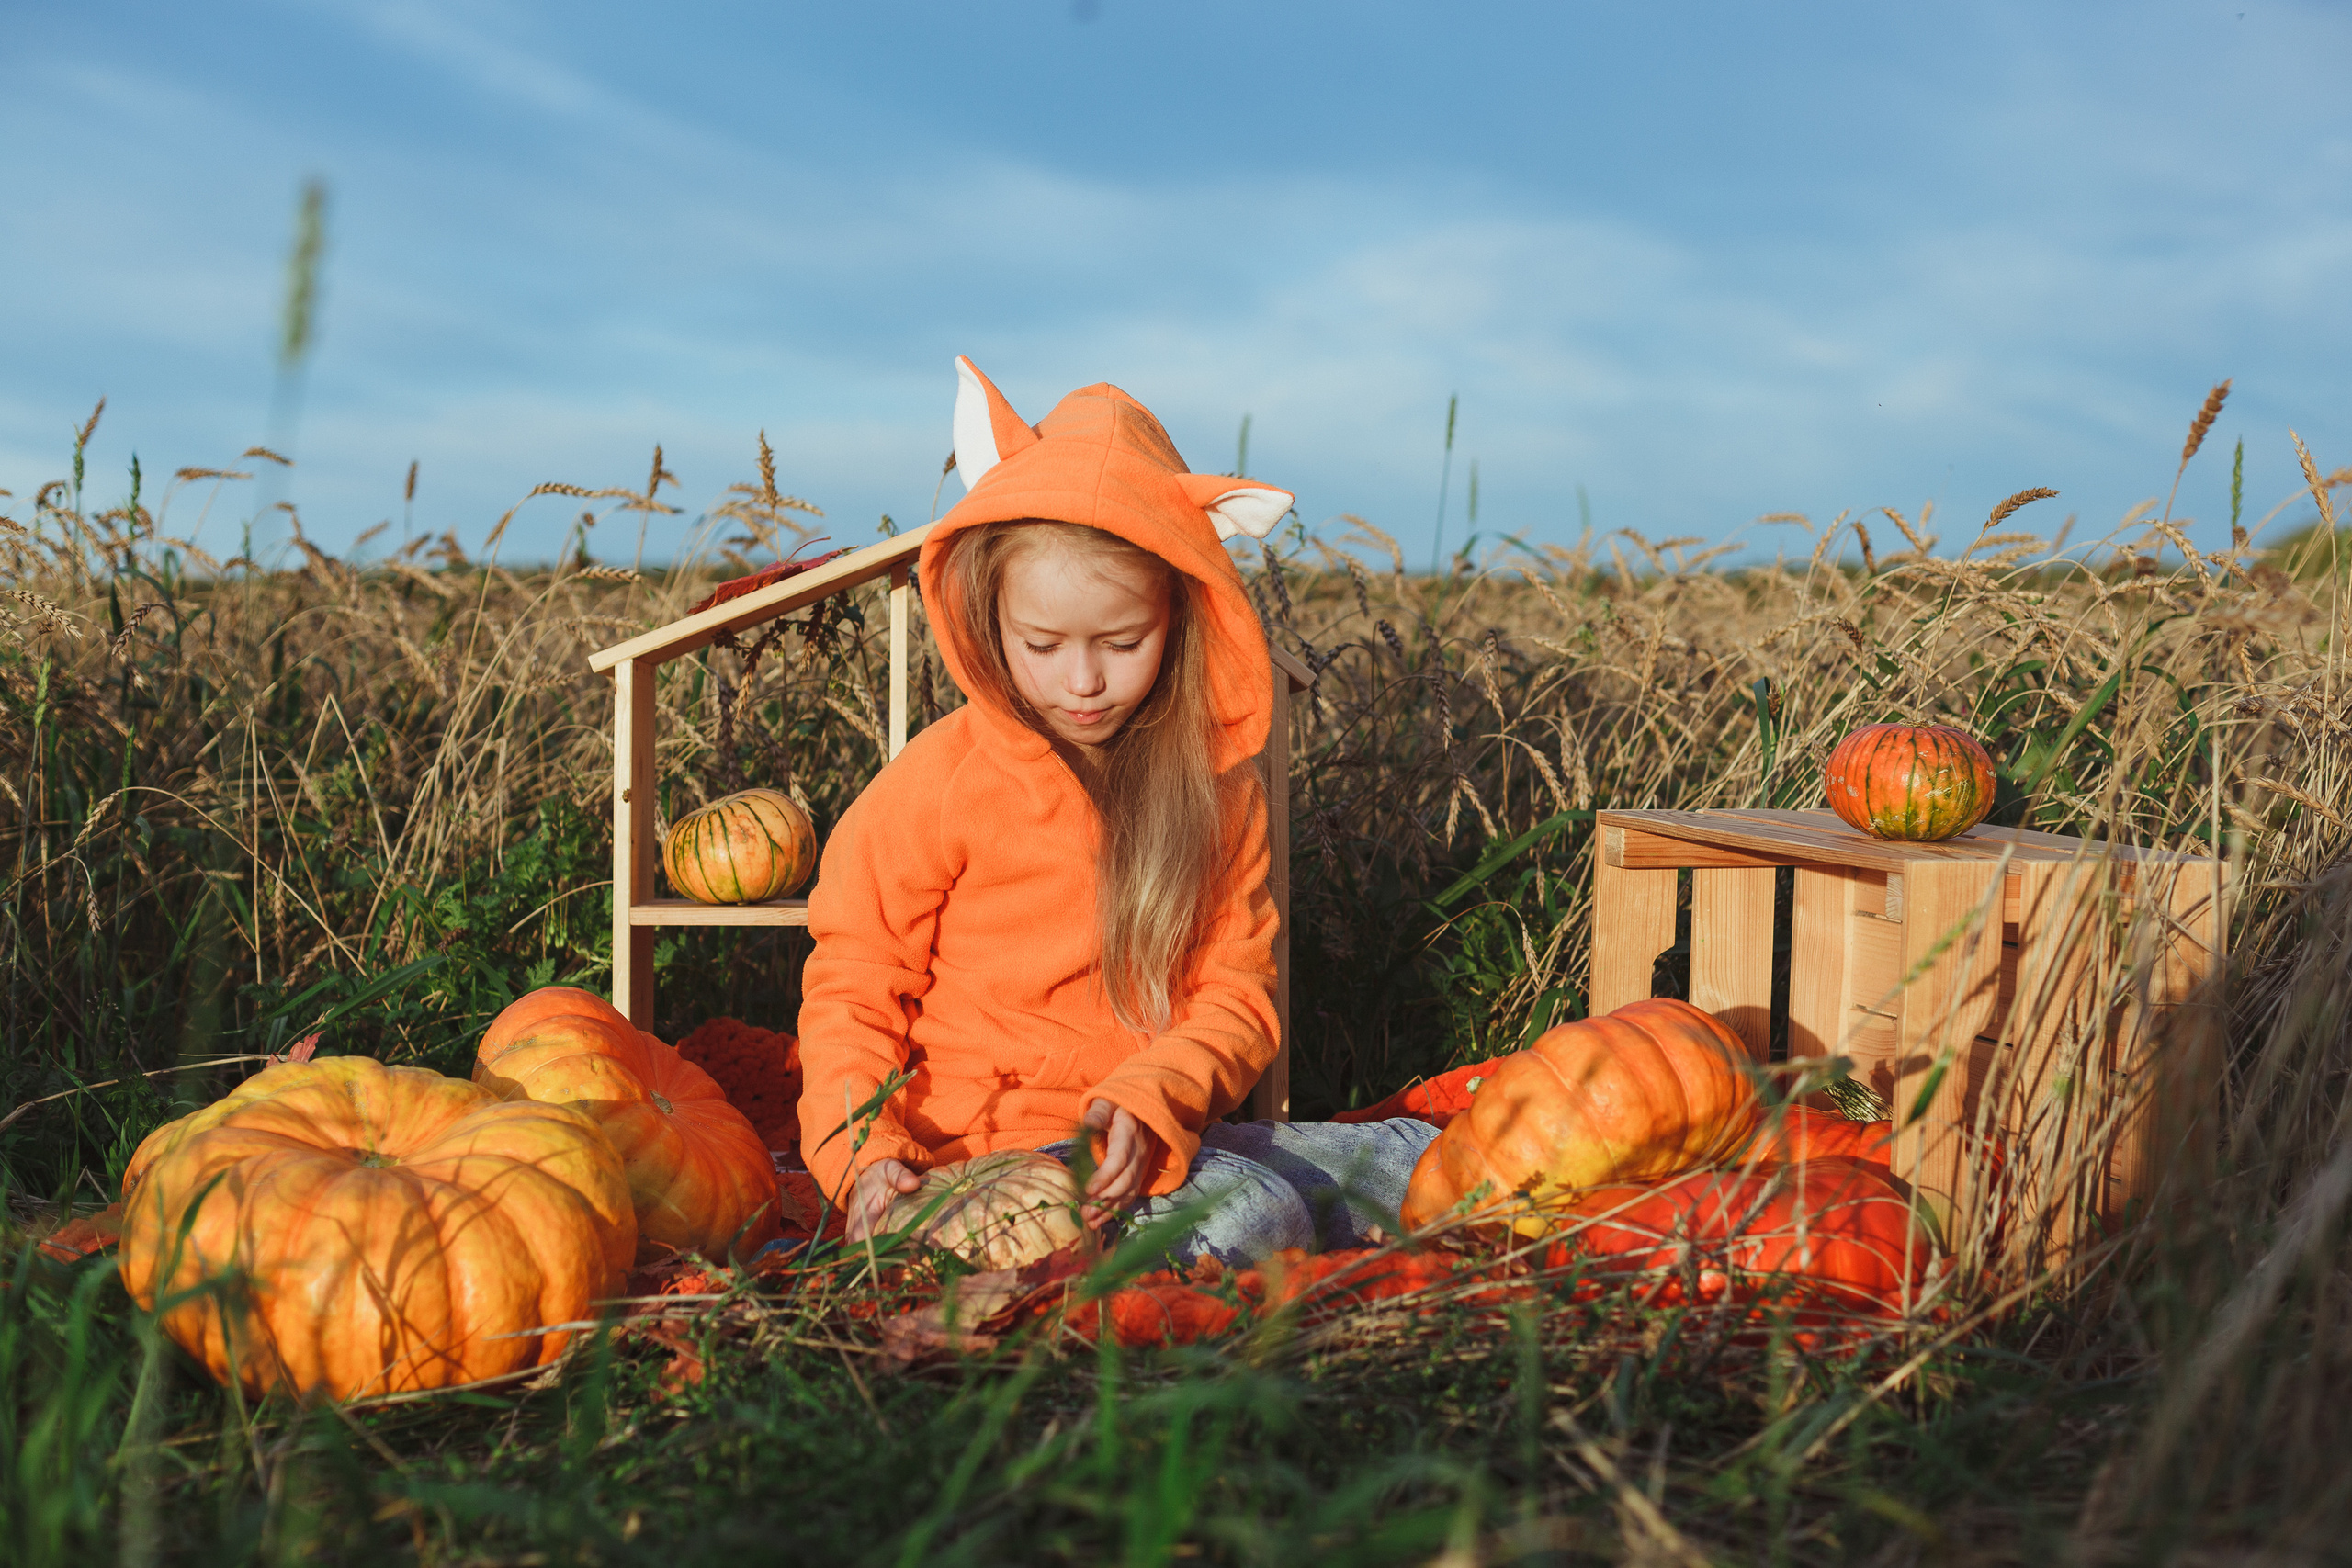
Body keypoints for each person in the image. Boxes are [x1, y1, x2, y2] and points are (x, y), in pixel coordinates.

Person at [797, 357, 1435, 1265]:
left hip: (1160, 1146)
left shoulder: (1214, 791)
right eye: (1044, 645)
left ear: (1179, 620)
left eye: (1122, 642)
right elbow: (853, 989)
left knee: (1410, 1161)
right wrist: (867, 1161)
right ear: (988, 620)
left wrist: (1153, 1095)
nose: (1085, 681)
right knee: (1249, 1214)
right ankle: (1040, 1261)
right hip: (980, 1159)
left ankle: (1178, 1234)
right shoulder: (935, 782)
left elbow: (1234, 998)